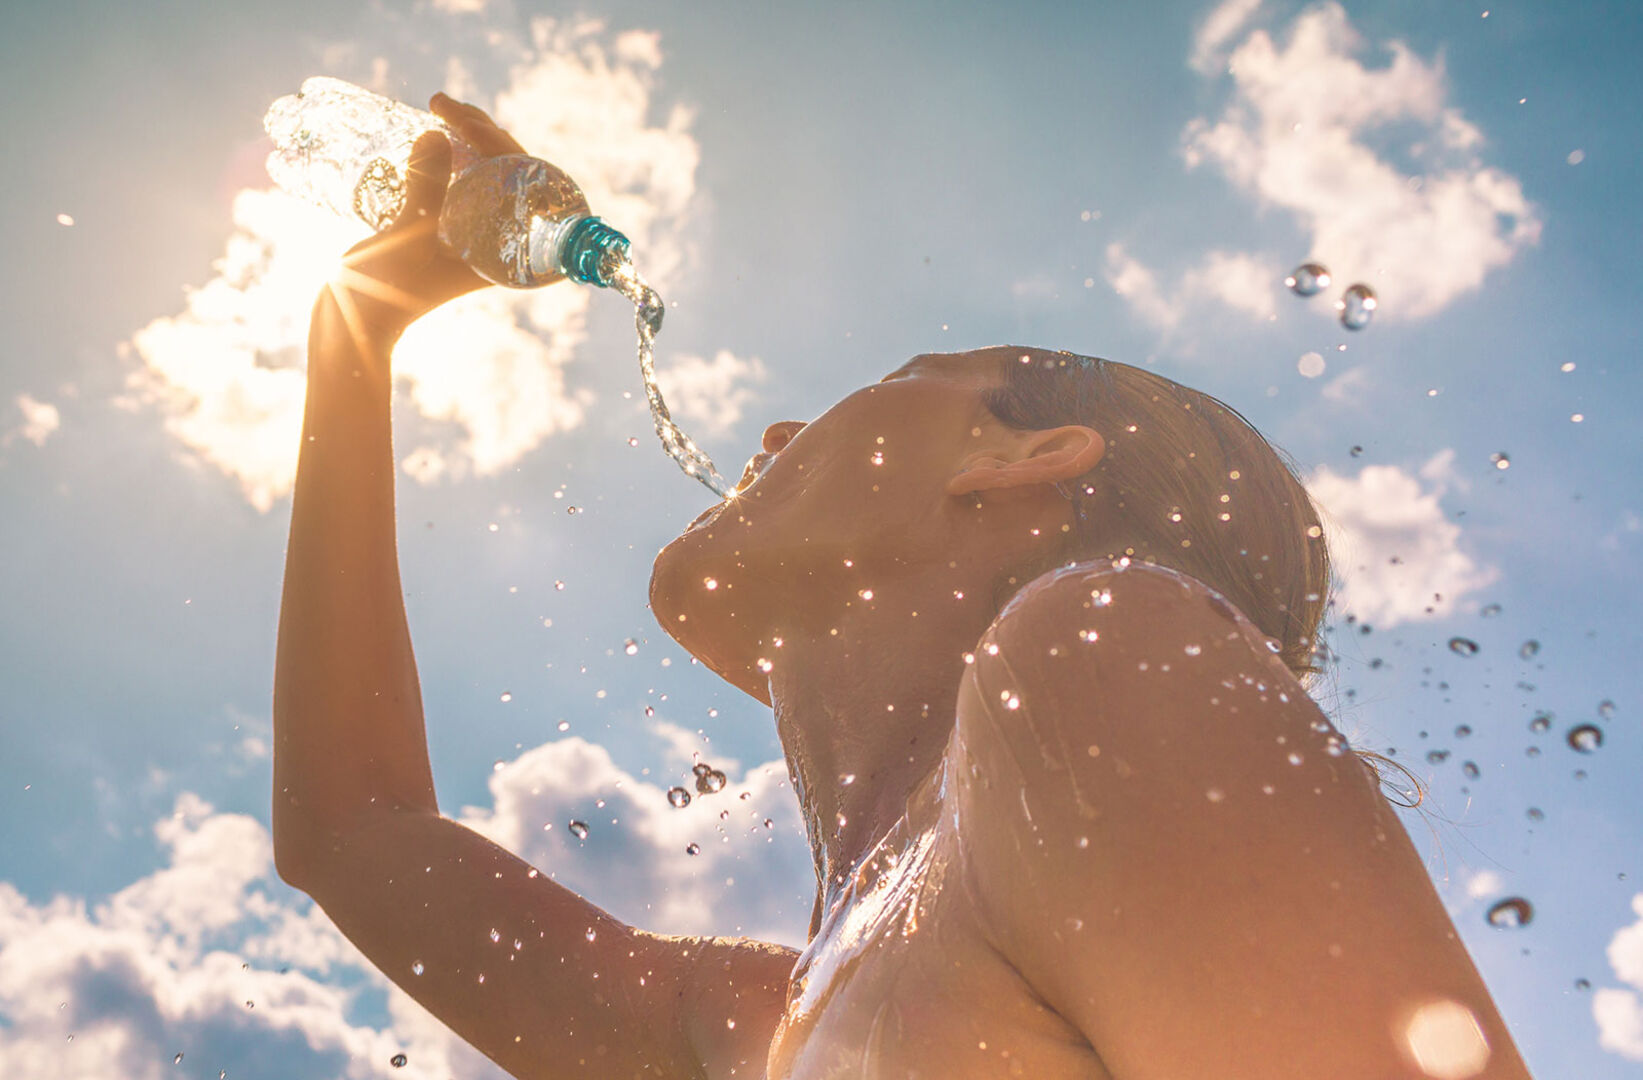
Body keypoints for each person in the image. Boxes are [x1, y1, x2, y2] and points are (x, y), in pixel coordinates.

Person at [273, 94, 1535, 1080]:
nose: (776, 432)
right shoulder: (770, 1015)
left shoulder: (1097, 658)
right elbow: (353, 834)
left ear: (1023, 459)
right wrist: (356, 331)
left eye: (902, 375)